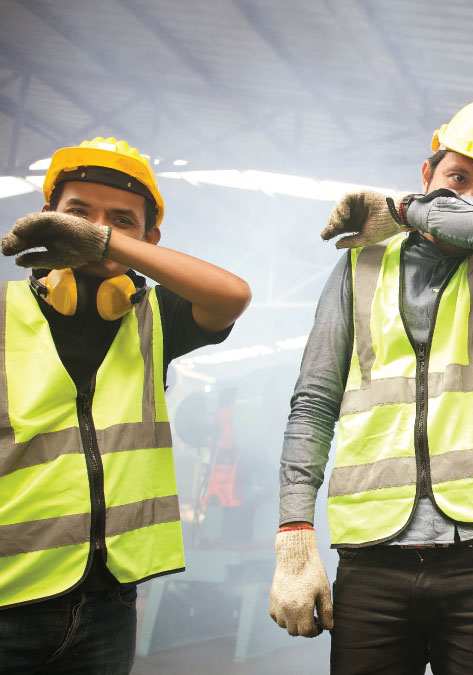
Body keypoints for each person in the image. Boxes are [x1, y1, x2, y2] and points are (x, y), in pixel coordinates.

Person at [269, 99, 473, 675]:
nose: (469, 197)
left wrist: (401, 209)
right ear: (428, 173)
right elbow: (314, 404)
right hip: (373, 561)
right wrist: (295, 538)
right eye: (456, 177)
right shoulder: (360, 266)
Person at [0, 137, 252, 674]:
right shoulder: (3, 314)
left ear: (149, 238)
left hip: (108, 604)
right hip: (7, 604)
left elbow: (232, 295)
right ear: (49, 219)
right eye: (77, 215)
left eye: (119, 220)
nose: (93, 229)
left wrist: (105, 243)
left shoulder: (156, 316)